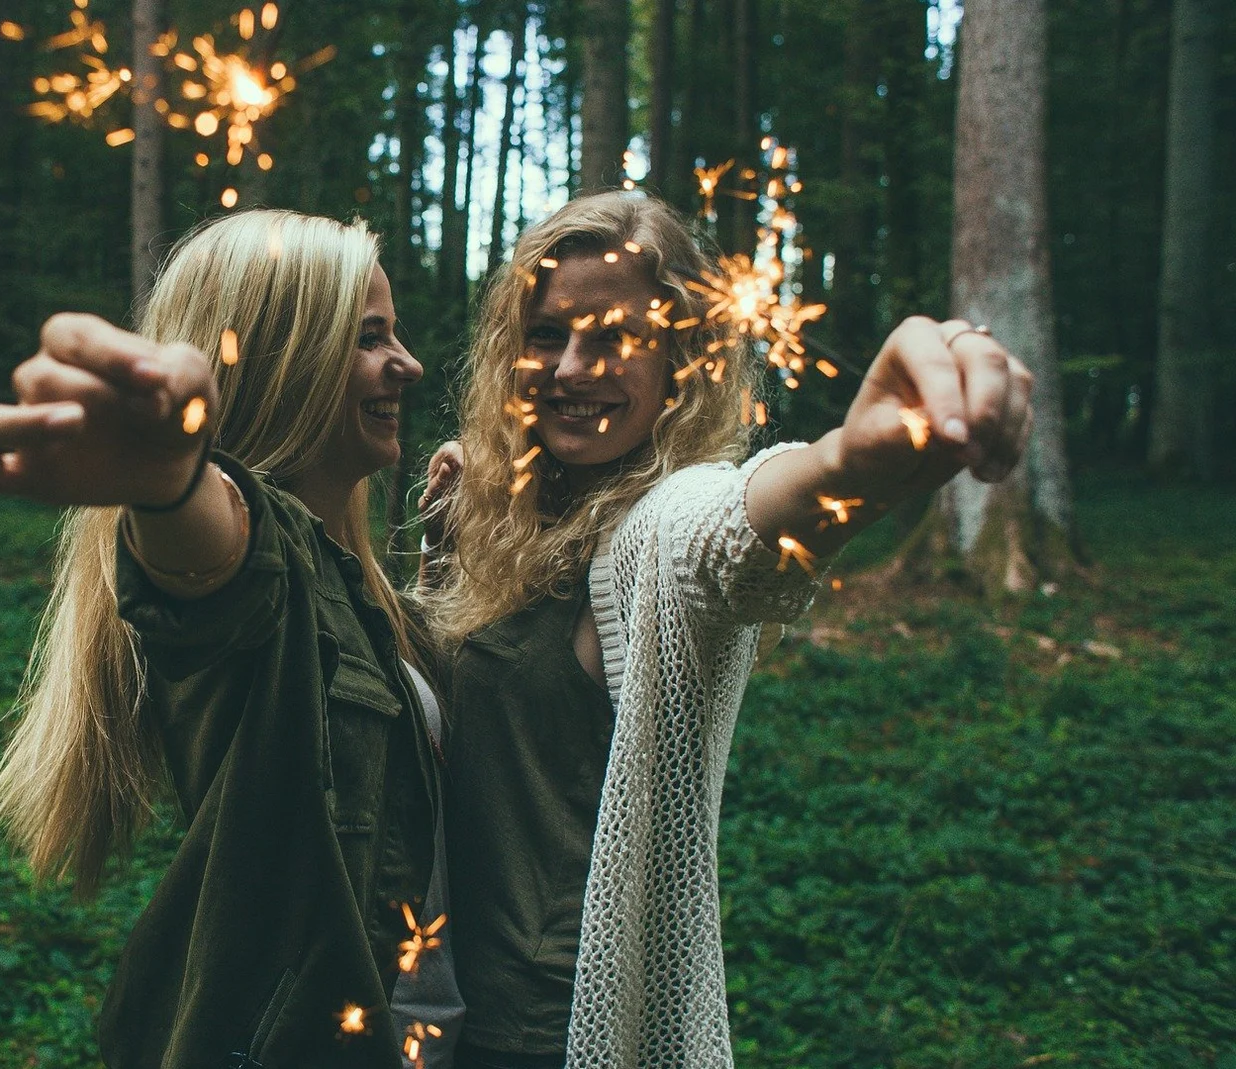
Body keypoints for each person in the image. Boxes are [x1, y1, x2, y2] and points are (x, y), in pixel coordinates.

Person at [415, 192, 1033, 1069]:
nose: (572, 368)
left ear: (681, 359)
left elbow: (740, 531)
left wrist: (854, 463)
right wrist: (459, 529)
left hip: (543, 1036)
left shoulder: (661, 531)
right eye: (549, 333)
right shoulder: (499, 515)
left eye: (616, 337)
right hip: (427, 1010)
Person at [0, 209, 462, 1069]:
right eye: (369, 336)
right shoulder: (249, 550)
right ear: (286, 357)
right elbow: (214, 561)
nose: (406, 364)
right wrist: (168, 482)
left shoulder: (354, 582)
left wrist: (451, 578)